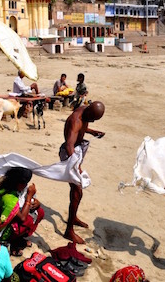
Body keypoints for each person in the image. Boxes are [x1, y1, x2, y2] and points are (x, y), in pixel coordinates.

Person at [61, 101, 105, 244]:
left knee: (76, 191)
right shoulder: (76, 121)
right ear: (88, 113)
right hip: (69, 155)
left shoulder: (84, 111)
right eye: (92, 119)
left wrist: (92, 131)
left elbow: (83, 127)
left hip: (76, 152)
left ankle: (73, 218)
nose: (91, 121)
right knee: (77, 191)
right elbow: (69, 145)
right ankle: (69, 230)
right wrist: (76, 167)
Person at [0, 167, 45, 256]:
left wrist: (36, 203)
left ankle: (17, 239)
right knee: (28, 221)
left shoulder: (12, 188)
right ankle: (11, 242)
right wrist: (29, 197)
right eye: (24, 183)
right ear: (18, 183)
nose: (26, 185)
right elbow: (22, 218)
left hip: (10, 218)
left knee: (40, 212)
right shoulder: (9, 199)